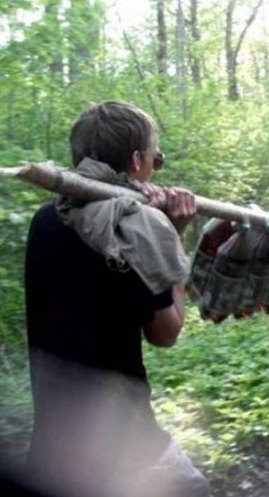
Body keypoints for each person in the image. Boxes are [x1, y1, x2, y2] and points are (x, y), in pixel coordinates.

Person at [24, 101, 212, 497]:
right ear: (137, 161)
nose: (156, 167)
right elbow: (166, 332)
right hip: (125, 447)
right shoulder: (136, 229)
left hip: (53, 450)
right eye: (155, 159)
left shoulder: (46, 219)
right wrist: (173, 235)